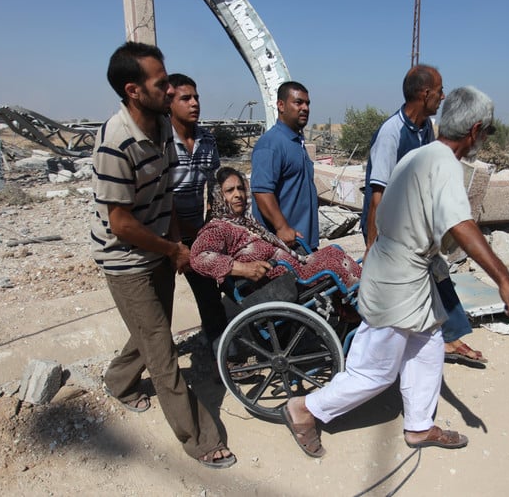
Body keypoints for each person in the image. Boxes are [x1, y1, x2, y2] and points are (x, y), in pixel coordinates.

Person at [281, 86, 509, 458]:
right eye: (488, 133)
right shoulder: (445, 164)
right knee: (376, 369)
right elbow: (462, 226)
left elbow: (383, 206)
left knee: (428, 344)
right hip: (398, 279)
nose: (485, 139)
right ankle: (305, 409)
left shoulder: (421, 156)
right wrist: (507, 284)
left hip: (405, 272)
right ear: (475, 130)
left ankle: (419, 425)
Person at [90, 42, 235, 469]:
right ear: (134, 90)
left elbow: (166, 194)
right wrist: (172, 247)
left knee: (150, 328)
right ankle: (200, 437)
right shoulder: (115, 142)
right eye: (162, 84)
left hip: (158, 248)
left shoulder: (159, 130)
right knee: (161, 348)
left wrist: (176, 247)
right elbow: (120, 223)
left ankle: (117, 381)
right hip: (125, 260)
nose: (171, 90)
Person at [361, 64, 486, 367]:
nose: (443, 97)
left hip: (414, 229)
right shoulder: (392, 133)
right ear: (424, 93)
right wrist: (371, 249)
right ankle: (432, 341)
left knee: (438, 273)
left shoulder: (426, 130)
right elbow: (376, 196)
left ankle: (447, 337)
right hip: (390, 233)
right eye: (439, 91)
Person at [190, 167, 361, 290]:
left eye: (240, 188)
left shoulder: (245, 221)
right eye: (229, 191)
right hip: (282, 282)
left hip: (293, 271)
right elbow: (198, 257)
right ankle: (369, 308)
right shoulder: (218, 228)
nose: (238, 194)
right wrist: (243, 269)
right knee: (334, 264)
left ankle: (357, 306)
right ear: (218, 196)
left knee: (334, 251)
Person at [167, 73, 226, 349]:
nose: (194, 103)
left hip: (194, 231)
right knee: (157, 306)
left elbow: (214, 187)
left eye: (196, 97)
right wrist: (178, 243)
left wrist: (213, 225)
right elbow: (161, 197)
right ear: (169, 103)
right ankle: (125, 372)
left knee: (208, 292)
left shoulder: (207, 140)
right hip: (162, 233)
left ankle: (222, 352)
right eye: (185, 98)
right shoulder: (159, 141)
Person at [250, 81, 319, 251]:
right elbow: (261, 191)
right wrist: (282, 227)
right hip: (283, 245)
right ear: (281, 105)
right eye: (298, 102)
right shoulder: (271, 144)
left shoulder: (297, 143)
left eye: (307, 103)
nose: (305, 108)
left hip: (304, 243)